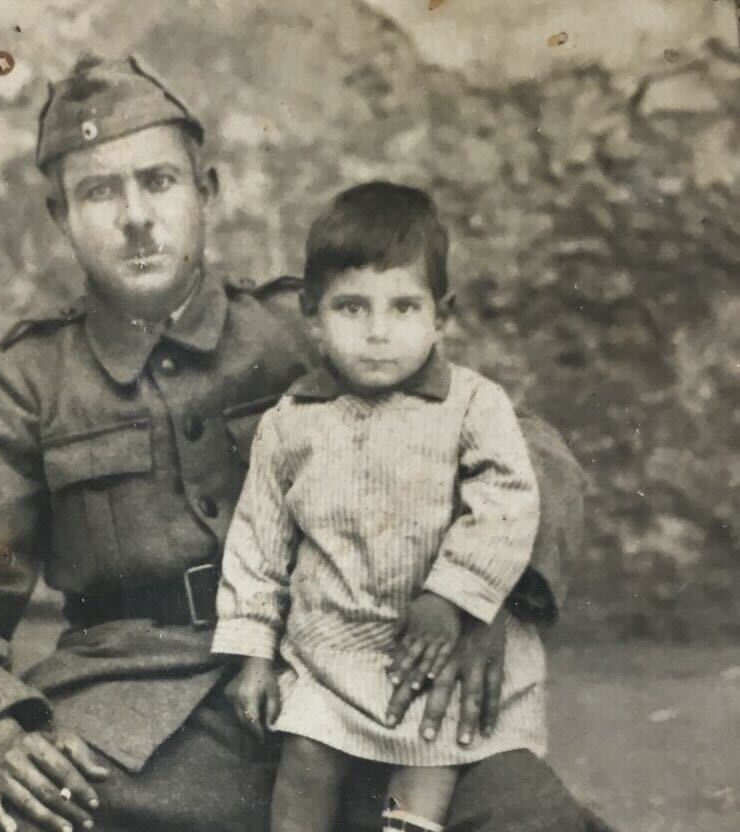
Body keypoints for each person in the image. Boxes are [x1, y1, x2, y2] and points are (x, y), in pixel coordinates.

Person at [0, 53, 603, 832]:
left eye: (158, 182)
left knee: (530, 821)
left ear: (207, 192)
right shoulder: (30, 381)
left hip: (358, 683)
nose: (134, 217)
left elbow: (525, 448)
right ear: (60, 216)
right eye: (99, 192)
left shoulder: (315, 325)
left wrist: (478, 603)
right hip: (134, 727)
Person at [212, 182, 547, 832]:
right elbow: (257, 544)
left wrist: (449, 595)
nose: (377, 332)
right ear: (312, 314)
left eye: (403, 307)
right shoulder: (291, 423)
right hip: (331, 646)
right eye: (351, 307)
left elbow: (508, 500)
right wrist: (253, 656)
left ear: (441, 317)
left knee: (428, 758)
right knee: (304, 754)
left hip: (433, 649)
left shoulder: (472, 406)